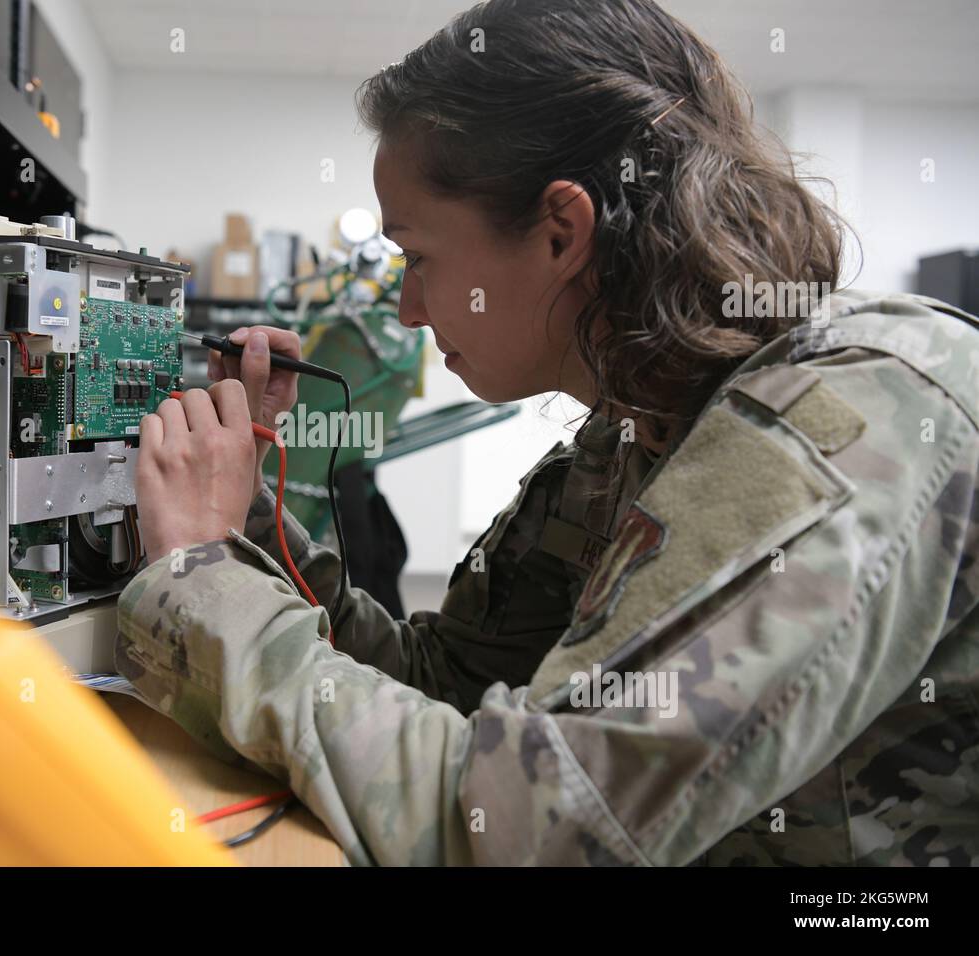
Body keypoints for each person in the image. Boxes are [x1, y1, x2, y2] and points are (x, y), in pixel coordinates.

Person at [113, 0, 979, 865]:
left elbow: (532, 829)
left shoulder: (858, 415)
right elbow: (444, 689)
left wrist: (205, 585)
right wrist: (240, 516)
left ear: (562, 232)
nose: (409, 310)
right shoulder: (634, 436)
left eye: (417, 257)